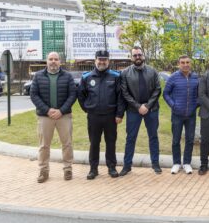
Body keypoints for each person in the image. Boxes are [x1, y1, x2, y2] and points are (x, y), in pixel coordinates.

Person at [30, 52, 76, 183]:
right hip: (45, 116)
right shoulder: (38, 76)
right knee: (44, 145)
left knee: (67, 144)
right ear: (46, 61)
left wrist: (61, 111)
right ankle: (43, 171)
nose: (53, 61)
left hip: (64, 116)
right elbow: (34, 95)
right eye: (51, 59)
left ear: (60, 61)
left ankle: (68, 168)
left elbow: (73, 95)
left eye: (56, 59)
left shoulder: (67, 76)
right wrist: (47, 110)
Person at [78, 50, 125, 180]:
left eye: (104, 59)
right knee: (94, 143)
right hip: (94, 117)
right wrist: (87, 109)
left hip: (111, 116)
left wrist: (119, 114)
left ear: (108, 61)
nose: (102, 62)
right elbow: (81, 95)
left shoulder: (116, 76)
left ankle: (111, 167)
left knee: (111, 142)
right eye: (100, 59)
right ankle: (93, 169)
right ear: (95, 60)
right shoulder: (86, 77)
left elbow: (120, 97)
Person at [119, 46, 162, 176]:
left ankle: (155, 164)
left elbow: (157, 89)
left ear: (143, 56)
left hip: (152, 109)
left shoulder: (152, 71)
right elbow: (125, 93)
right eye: (135, 55)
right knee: (130, 138)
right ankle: (127, 165)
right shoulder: (125, 73)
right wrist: (138, 106)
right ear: (131, 57)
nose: (138, 57)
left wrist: (147, 106)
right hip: (133, 110)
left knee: (153, 137)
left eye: (139, 55)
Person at [163, 55, 199, 175]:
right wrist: (173, 105)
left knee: (189, 139)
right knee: (176, 140)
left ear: (191, 64)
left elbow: (200, 94)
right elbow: (166, 93)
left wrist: (195, 105)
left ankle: (187, 163)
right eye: (182, 62)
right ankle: (176, 163)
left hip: (191, 115)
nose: (185, 64)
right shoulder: (173, 77)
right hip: (177, 114)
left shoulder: (195, 78)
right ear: (179, 64)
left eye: (187, 62)